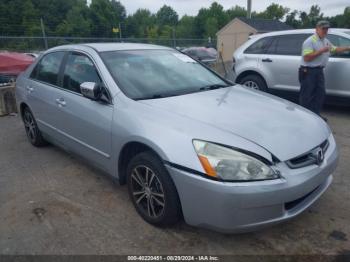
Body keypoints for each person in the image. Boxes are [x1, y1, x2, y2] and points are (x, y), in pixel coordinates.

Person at [299, 20, 350, 118]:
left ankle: (315, 116)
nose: (325, 31)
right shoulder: (310, 41)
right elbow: (307, 57)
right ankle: (304, 118)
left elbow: (335, 49)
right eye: (323, 29)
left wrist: (348, 48)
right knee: (307, 96)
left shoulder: (325, 41)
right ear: (317, 29)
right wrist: (321, 51)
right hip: (308, 71)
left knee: (320, 94)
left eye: (327, 29)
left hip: (318, 71)